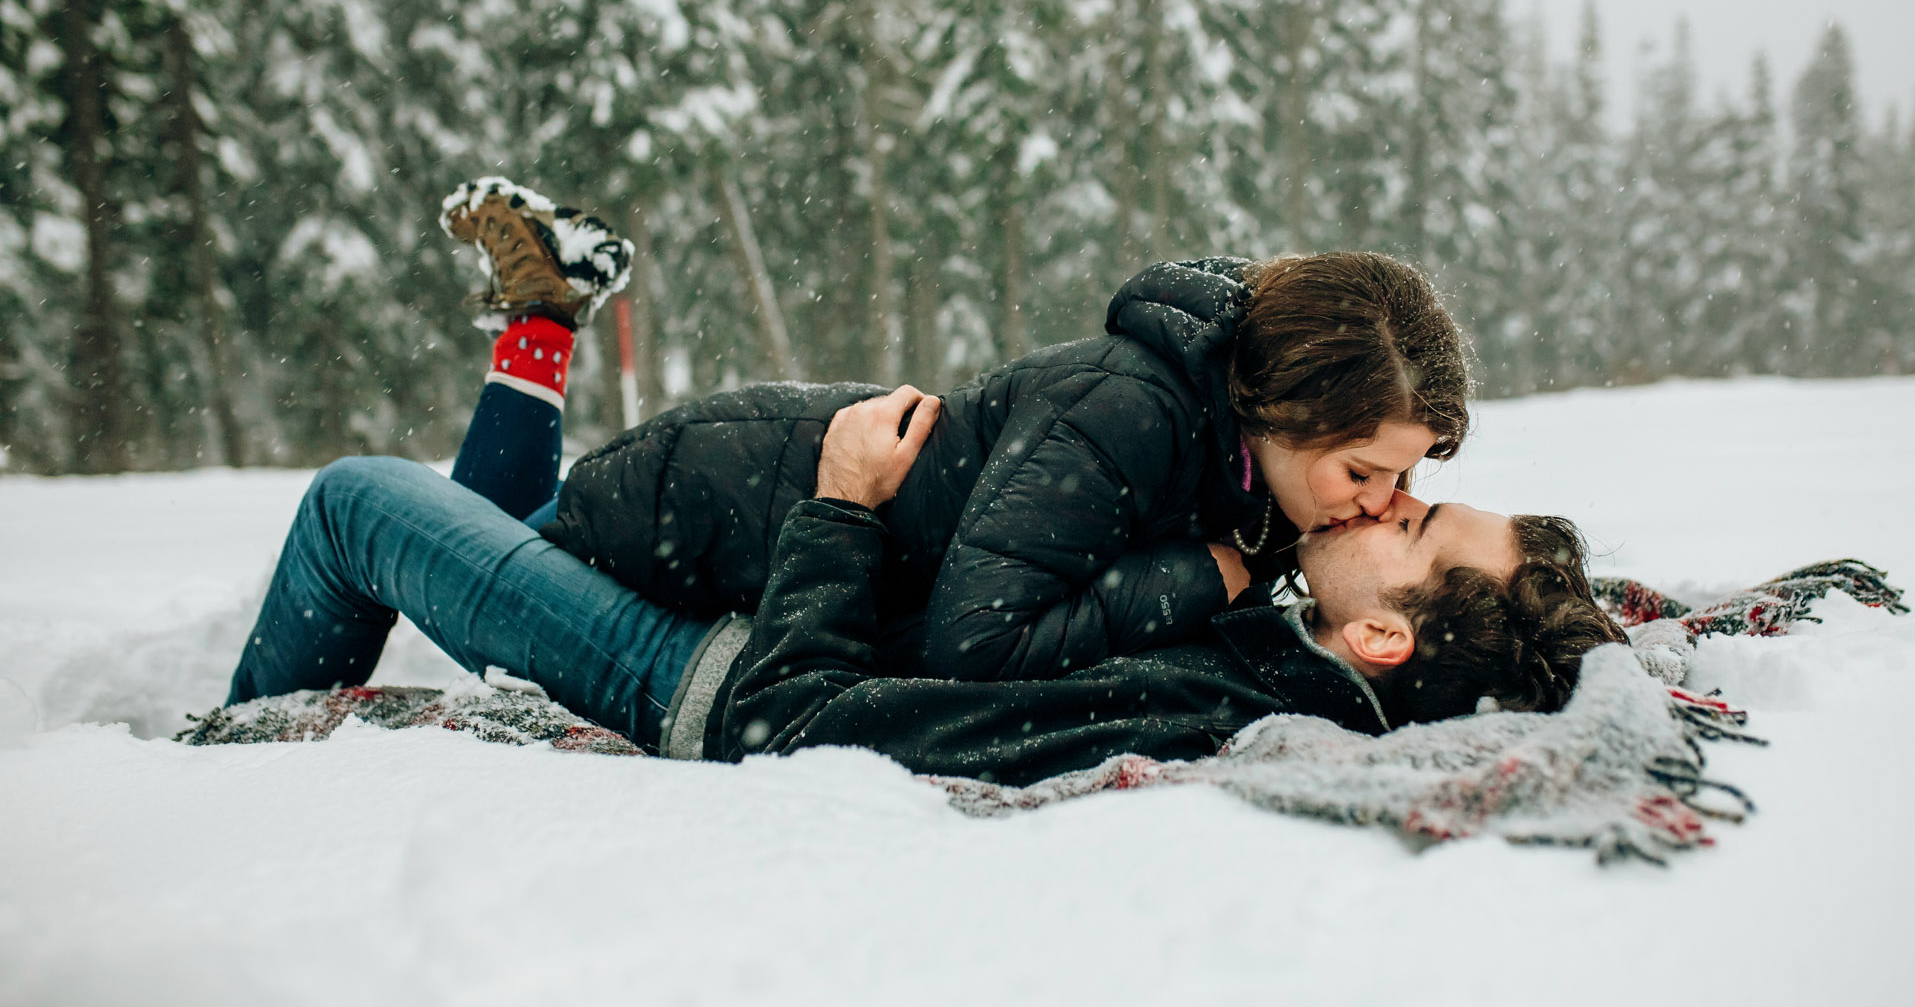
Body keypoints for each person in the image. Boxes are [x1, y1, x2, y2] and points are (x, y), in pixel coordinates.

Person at [227, 377, 1622, 785]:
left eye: (1419, 519)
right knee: (506, 529)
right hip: (757, 607)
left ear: (1381, 636)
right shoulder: (1283, 632)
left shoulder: (1199, 704)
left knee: (359, 503)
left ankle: (210, 773)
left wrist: (838, 510)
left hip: (704, 678)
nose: (1394, 495)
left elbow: (802, 724)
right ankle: (531, 339)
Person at [423, 176, 1478, 688]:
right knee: (465, 546)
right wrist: (1196, 579)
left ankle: (545, 310)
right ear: (1282, 408)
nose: (1382, 502)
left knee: (489, 533)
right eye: (1364, 470)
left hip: (753, 501)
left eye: (1396, 481)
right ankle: (548, 312)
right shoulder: (1134, 411)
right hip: (709, 504)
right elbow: (972, 645)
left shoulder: (1234, 464)